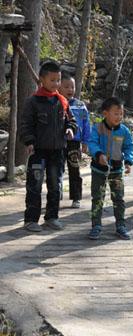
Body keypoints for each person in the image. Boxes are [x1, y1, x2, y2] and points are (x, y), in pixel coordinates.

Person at [19, 61, 77, 232]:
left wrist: (70, 129)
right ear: (42, 79)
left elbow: (71, 121)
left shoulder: (62, 102)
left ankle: (51, 217)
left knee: (55, 185)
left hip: (57, 151)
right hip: (38, 151)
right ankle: (31, 220)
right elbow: (25, 124)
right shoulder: (33, 102)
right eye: (52, 80)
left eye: (58, 80)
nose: (56, 84)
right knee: (35, 185)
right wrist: (29, 142)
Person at [87, 97, 133, 240]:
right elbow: (92, 143)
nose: (119, 117)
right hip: (98, 170)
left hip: (116, 171)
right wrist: (98, 154)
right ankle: (96, 225)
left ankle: (120, 225)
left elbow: (129, 146)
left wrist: (128, 161)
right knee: (97, 198)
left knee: (118, 198)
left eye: (121, 114)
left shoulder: (124, 131)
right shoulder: (97, 128)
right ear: (105, 113)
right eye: (116, 113)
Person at [58, 71, 91, 208]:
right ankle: (55, 194)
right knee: (57, 169)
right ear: (59, 87)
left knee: (74, 169)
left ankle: (76, 197)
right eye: (66, 87)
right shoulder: (56, 103)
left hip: (75, 142)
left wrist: (85, 141)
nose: (70, 90)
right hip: (58, 142)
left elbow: (86, 124)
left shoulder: (80, 105)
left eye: (72, 87)